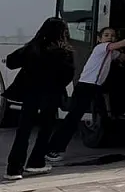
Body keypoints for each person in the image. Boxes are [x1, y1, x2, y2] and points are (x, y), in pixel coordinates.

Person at [45, 28, 125, 162]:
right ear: (99, 39)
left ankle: (55, 148)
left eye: (113, 35)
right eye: (106, 35)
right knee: (72, 119)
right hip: (86, 86)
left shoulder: (111, 53)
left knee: (99, 116)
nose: (110, 37)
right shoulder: (100, 48)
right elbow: (122, 44)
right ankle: (53, 150)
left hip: (95, 88)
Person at [5, 18, 76, 181]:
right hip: (51, 95)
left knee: (23, 131)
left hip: (30, 94)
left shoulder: (33, 48)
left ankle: (14, 169)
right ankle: (36, 162)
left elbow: (10, 62)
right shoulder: (65, 52)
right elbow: (68, 76)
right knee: (45, 130)